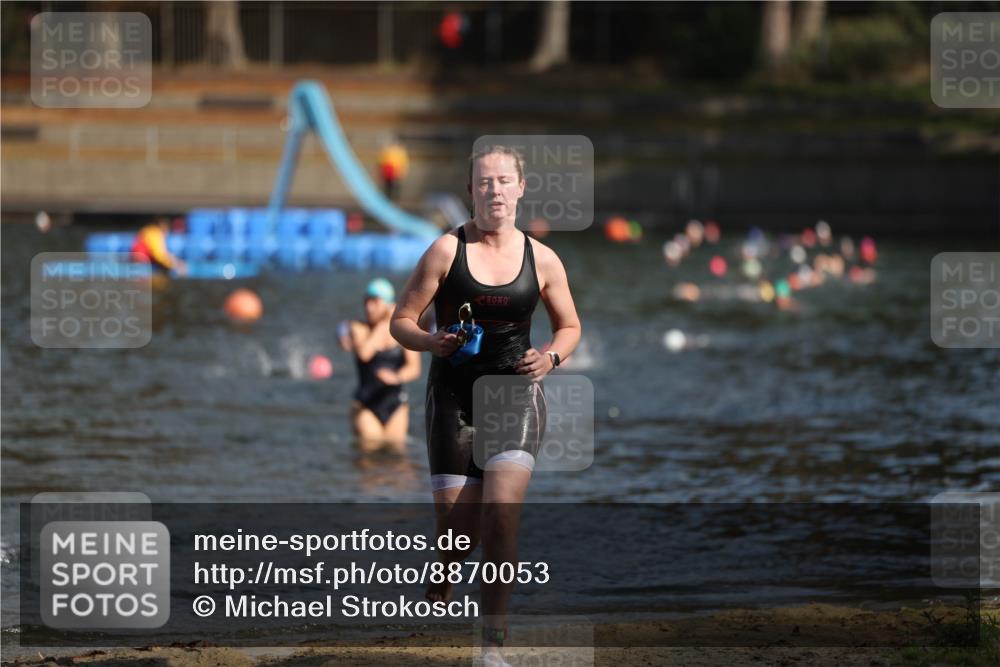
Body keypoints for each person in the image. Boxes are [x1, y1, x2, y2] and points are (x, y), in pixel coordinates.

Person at [390, 145, 581, 664]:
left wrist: (552, 358)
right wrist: (431, 343)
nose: (494, 190)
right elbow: (400, 321)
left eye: (504, 181)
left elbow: (569, 325)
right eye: (484, 182)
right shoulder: (444, 252)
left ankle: (492, 645)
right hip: (452, 398)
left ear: (520, 189)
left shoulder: (541, 258)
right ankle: (444, 576)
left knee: (501, 517)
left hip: (515, 396)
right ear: (471, 191)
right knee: (458, 536)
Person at [340, 278, 421, 453]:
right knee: (370, 454)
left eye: (375, 302)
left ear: (388, 304)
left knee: (398, 457)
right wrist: (385, 325)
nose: (369, 307)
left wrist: (396, 377)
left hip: (396, 404)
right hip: (366, 404)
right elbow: (364, 354)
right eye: (367, 301)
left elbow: (414, 368)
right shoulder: (358, 328)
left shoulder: (404, 331)